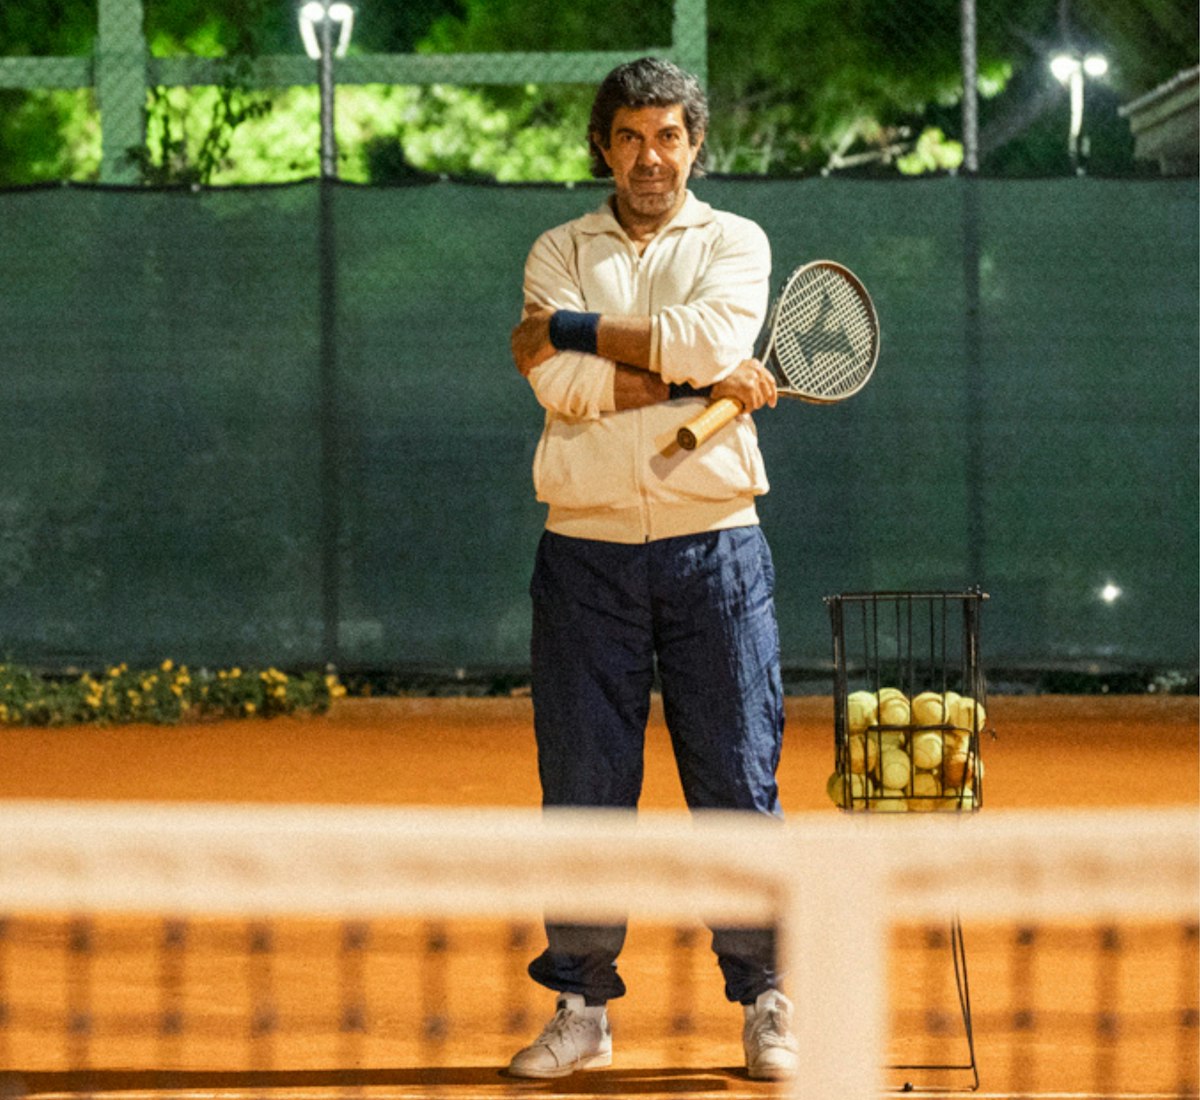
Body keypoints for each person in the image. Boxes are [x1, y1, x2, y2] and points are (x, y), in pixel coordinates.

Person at [506, 56, 798, 1082]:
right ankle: (582, 1005)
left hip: (716, 545)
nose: (649, 157)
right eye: (629, 137)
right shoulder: (556, 247)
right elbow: (557, 382)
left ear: (695, 143)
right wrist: (682, 376)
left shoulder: (737, 241)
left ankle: (765, 996)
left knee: (737, 778)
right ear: (604, 145)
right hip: (583, 553)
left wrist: (588, 336)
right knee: (583, 788)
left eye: (667, 135)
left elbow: (710, 334)